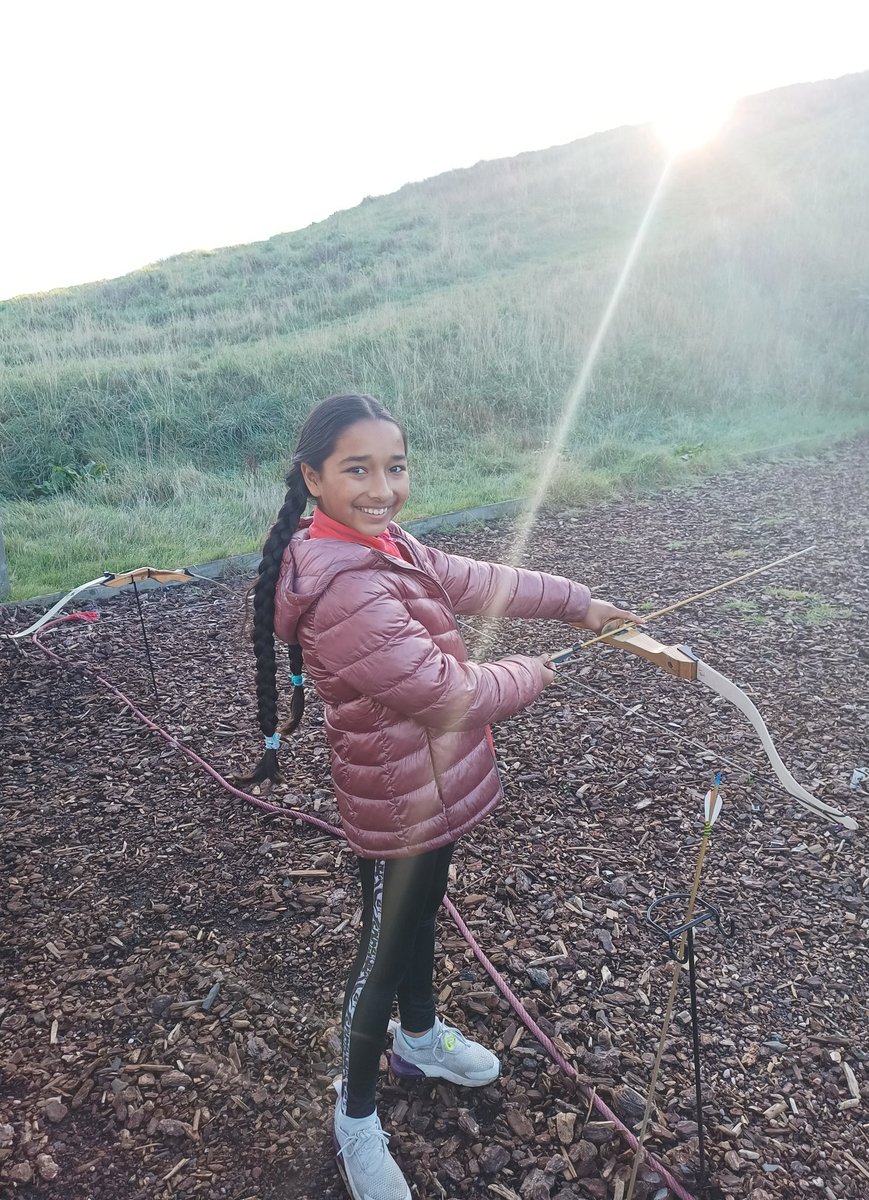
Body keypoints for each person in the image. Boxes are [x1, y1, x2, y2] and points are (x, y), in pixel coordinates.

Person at [241, 393, 642, 1200]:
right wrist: (531, 673)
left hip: (431, 786)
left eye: (396, 466)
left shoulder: (383, 544)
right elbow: (444, 693)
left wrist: (578, 603)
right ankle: (355, 1120)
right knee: (380, 958)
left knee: (422, 913)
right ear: (313, 478)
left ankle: (419, 1038)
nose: (383, 485)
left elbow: (477, 577)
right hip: (397, 802)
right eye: (358, 468)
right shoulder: (342, 584)